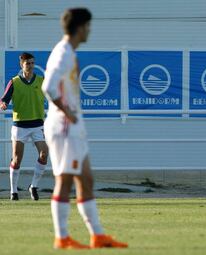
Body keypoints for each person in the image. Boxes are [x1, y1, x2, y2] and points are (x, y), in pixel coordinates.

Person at [42, 8, 127, 249]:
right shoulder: (63, 52)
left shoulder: (68, 51)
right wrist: (66, 111)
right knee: (65, 181)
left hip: (72, 127)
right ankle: (62, 237)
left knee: (86, 178)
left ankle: (97, 236)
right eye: (88, 26)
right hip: (64, 127)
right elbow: (48, 87)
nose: (90, 30)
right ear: (80, 27)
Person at [1, 52, 48, 201]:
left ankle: (33, 186)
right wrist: (3, 104)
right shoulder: (14, 82)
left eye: (33, 63)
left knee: (44, 154)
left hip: (37, 125)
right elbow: (4, 99)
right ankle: (13, 191)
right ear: (22, 65)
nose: (31, 66)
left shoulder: (41, 81)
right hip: (20, 126)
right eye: (28, 63)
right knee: (17, 159)